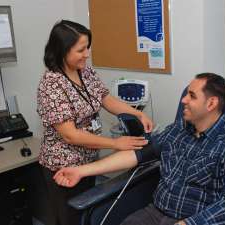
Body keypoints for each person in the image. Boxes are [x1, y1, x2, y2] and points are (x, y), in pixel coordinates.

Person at [54, 73, 225, 225]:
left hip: (192, 220)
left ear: (211, 103)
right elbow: (137, 154)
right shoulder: (178, 130)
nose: (183, 100)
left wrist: (188, 223)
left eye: (191, 96)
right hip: (155, 213)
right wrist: (81, 171)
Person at [36, 20, 153, 225]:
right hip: (64, 166)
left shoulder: (85, 71)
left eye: (87, 47)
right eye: (81, 49)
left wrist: (138, 114)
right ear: (63, 50)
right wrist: (116, 143)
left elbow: (106, 99)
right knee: (71, 218)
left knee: (90, 212)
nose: (86, 54)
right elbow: (70, 134)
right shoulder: (51, 84)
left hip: (89, 160)